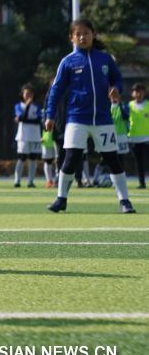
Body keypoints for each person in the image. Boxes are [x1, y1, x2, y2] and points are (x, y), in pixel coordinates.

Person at [44, 19, 135, 214]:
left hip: (103, 119)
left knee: (112, 159)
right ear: (71, 38)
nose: (82, 37)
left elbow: (117, 80)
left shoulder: (105, 59)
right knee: (70, 158)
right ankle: (61, 199)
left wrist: (116, 89)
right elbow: (55, 91)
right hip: (76, 119)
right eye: (78, 34)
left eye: (86, 33)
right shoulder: (67, 62)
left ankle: (125, 201)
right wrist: (49, 115)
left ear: (94, 34)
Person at [13, 83, 42, 188]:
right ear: (22, 94)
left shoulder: (37, 106)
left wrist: (23, 119)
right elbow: (22, 117)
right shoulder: (18, 106)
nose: (28, 95)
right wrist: (27, 106)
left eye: (30, 93)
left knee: (33, 159)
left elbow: (38, 120)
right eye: (26, 93)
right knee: (22, 158)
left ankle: (31, 182)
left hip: (35, 136)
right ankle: (17, 181)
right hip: (23, 136)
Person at [128, 83, 148, 189]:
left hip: (147, 138)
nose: (138, 93)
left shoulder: (148, 104)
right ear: (132, 93)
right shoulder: (129, 106)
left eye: (140, 91)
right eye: (136, 91)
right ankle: (142, 183)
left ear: (144, 92)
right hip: (134, 138)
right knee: (139, 162)